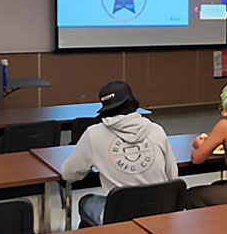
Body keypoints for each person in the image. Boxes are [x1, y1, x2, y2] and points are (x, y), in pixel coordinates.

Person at [61, 81, 178, 226]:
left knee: (86, 201)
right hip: (159, 213)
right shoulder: (157, 129)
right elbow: (173, 176)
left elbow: (68, 174)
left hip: (121, 217)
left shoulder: (93, 134)